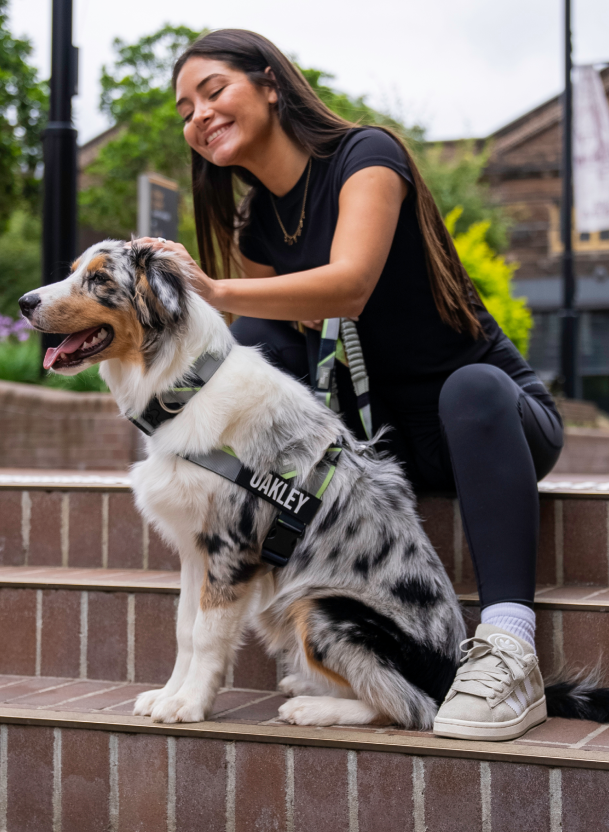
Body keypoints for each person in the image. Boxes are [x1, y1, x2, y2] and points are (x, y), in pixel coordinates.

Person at [142, 29, 564, 741]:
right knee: (254, 348)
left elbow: (352, 285)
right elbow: (287, 349)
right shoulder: (258, 230)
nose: (199, 116)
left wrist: (212, 289)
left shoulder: (368, 155)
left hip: (491, 423)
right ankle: (274, 568)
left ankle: (507, 644)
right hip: (382, 444)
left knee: (472, 387)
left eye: (213, 91)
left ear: (270, 83)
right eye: (186, 109)